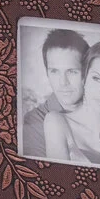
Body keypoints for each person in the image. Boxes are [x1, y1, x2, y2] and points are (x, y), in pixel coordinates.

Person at [22, 29, 89, 157]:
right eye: (54, 71)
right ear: (47, 73)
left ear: (87, 72)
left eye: (72, 71)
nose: (63, 82)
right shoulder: (34, 123)